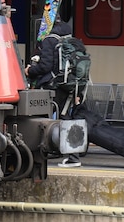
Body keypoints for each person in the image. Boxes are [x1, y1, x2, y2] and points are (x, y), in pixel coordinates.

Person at [25, 19, 82, 167]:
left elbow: (45, 66)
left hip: (54, 84)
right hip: (69, 83)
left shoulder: (49, 40)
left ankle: (70, 156)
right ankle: (71, 154)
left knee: (47, 117)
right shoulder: (69, 36)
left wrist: (30, 71)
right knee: (67, 116)